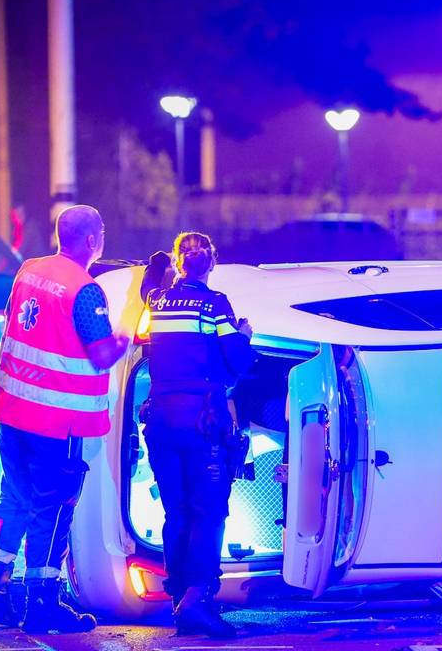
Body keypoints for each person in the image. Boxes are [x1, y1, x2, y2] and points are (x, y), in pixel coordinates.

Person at [0, 205, 130, 634]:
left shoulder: (30, 271)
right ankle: (43, 603)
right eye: (101, 232)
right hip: (56, 423)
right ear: (92, 240)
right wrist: (123, 338)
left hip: (13, 412)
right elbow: (100, 355)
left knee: (15, 499)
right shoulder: (85, 290)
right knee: (54, 509)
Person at [142, 231, 256, 637]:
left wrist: (158, 268)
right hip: (201, 423)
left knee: (176, 512)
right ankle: (197, 599)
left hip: (159, 422)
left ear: (179, 261)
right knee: (208, 513)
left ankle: (178, 598)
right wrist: (243, 333)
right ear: (211, 264)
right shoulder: (214, 304)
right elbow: (238, 361)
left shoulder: (157, 301)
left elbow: (148, 286)